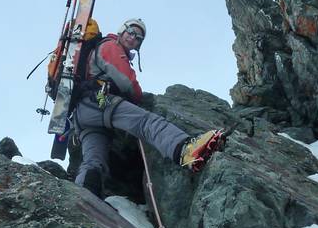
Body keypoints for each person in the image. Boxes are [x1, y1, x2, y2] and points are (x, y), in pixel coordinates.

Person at [72, 18, 225, 197]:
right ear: (122, 31)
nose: (133, 38)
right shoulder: (110, 46)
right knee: (146, 122)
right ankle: (186, 150)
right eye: (131, 32)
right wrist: (138, 96)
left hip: (81, 115)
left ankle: (84, 195)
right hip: (100, 102)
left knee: (93, 159)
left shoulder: (97, 49)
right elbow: (127, 82)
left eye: (138, 38)